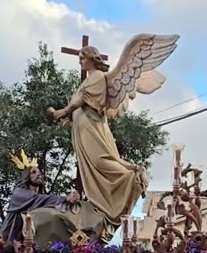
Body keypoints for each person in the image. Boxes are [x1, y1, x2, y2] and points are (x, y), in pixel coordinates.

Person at [46, 44, 152, 233]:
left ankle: (131, 175)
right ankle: (100, 203)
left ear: (93, 58)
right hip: (83, 129)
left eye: (83, 57)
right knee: (90, 165)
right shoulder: (87, 80)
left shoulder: (98, 78)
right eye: (79, 57)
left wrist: (62, 112)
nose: (80, 60)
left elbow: (83, 101)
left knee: (99, 160)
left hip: (92, 128)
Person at [0, 161, 102, 245]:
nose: (39, 175)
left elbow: (48, 203)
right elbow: (38, 199)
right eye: (33, 172)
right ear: (26, 177)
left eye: (39, 173)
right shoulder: (19, 193)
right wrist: (66, 198)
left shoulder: (43, 200)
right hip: (10, 238)